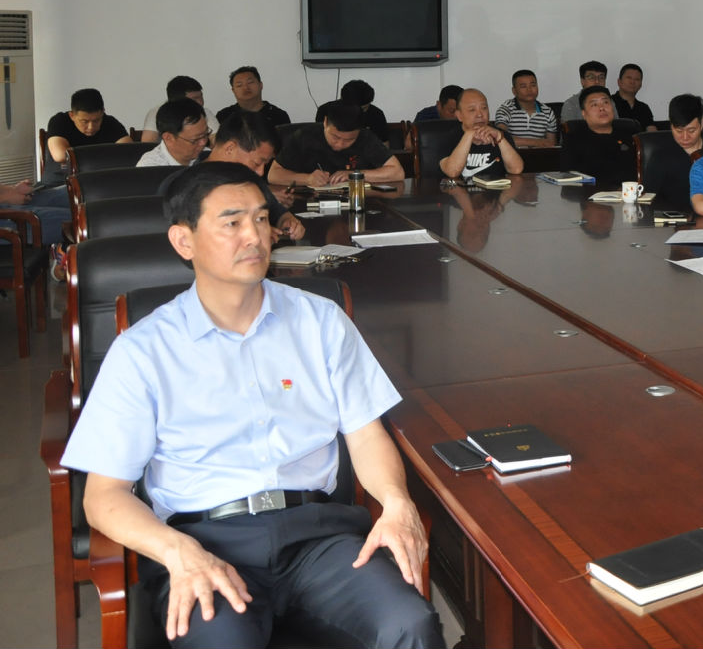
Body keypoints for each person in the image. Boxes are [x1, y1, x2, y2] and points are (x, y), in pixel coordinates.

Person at [60, 164, 443, 648]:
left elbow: (366, 434)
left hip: (319, 538)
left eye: (262, 219)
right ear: (183, 241)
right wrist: (177, 551)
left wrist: (396, 502)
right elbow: (102, 497)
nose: (255, 236)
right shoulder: (143, 350)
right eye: (233, 222)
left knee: (409, 624)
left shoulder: (319, 320)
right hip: (206, 541)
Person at [203, 111, 304, 241]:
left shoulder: (249, 178)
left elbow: (277, 212)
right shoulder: (193, 184)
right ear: (230, 148)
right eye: (257, 163)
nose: (260, 172)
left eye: (264, 164)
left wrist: (288, 222)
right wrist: (256, 231)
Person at [270, 103, 404, 187]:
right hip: (310, 203)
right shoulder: (304, 136)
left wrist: (355, 175)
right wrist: (307, 179)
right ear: (325, 123)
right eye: (335, 137)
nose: (340, 144)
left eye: (349, 140)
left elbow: (397, 172)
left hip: (358, 203)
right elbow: (273, 175)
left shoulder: (365, 137)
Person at [43, 87, 132, 184]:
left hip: (99, 183)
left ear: (103, 112)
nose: (91, 127)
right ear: (72, 115)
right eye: (84, 121)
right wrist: (106, 157)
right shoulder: (60, 121)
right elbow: (60, 155)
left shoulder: (110, 122)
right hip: (60, 182)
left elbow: (128, 152)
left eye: (96, 120)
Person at [560, 85, 640, 187]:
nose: (602, 108)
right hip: (591, 194)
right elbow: (568, 179)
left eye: (606, 102)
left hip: (630, 193)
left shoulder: (630, 135)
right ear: (584, 113)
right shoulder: (574, 140)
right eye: (594, 105)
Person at [642, 94, 703, 209]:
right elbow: (647, 199)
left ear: (702, 123)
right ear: (671, 125)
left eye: (691, 130)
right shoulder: (661, 156)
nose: (685, 137)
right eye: (679, 131)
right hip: (673, 217)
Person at [440, 89, 524, 182]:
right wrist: (469, 135)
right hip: (460, 190)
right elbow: (452, 172)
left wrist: (499, 138)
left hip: (495, 190)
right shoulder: (448, 137)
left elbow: (516, 169)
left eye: (484, 108)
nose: (480, 114)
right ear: (459, 115)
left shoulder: (500, 135)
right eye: (472, 110)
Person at [137, 97, 211, 168]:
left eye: (205, 134)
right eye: (195, 140)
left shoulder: (207, 155)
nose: (203, 142)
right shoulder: (150, 168)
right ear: (168, 138)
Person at [494, 70, 559, 148]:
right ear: (514, 91)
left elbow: (551, 144)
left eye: (533, 85)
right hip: (513, 154)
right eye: (523, 86)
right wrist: (536, 142)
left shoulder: (548, 112)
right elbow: (501, 137)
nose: (529, 90)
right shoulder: (506, 110)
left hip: (540, 154)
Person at [141, 76, 217, 143]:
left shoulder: (204, 112)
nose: (201, 102)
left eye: (201, 96)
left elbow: (217, 142)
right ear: (178, 101)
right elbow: (147, 145)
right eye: (195, 99)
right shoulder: (157, 113)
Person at [214, 66, 292, 130]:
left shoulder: (278, 115)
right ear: (233, 91)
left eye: (250, 82)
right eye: (239, 85)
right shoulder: (224, 116)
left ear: (261, 85)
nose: (245, 87)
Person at [316, 80, 388, 142]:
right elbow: (320, 143)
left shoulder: (376, 114)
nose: (358, 114)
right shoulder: (326, 111)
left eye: (364, 109)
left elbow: (384, 146)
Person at [561, 61, 607, 129]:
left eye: (601, 77)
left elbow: (616, 128)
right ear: (582, 81)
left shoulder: (609, 102)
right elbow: (569, 133)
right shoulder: (571, 104)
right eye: (591, 77)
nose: (597, 81)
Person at [611, 64, 655, 131]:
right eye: (629, 78)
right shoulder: (608, 103)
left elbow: (651, 132)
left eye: (637, 79)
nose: (632, 82)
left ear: (640, 84)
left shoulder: (644, 108)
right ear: (619, 82)